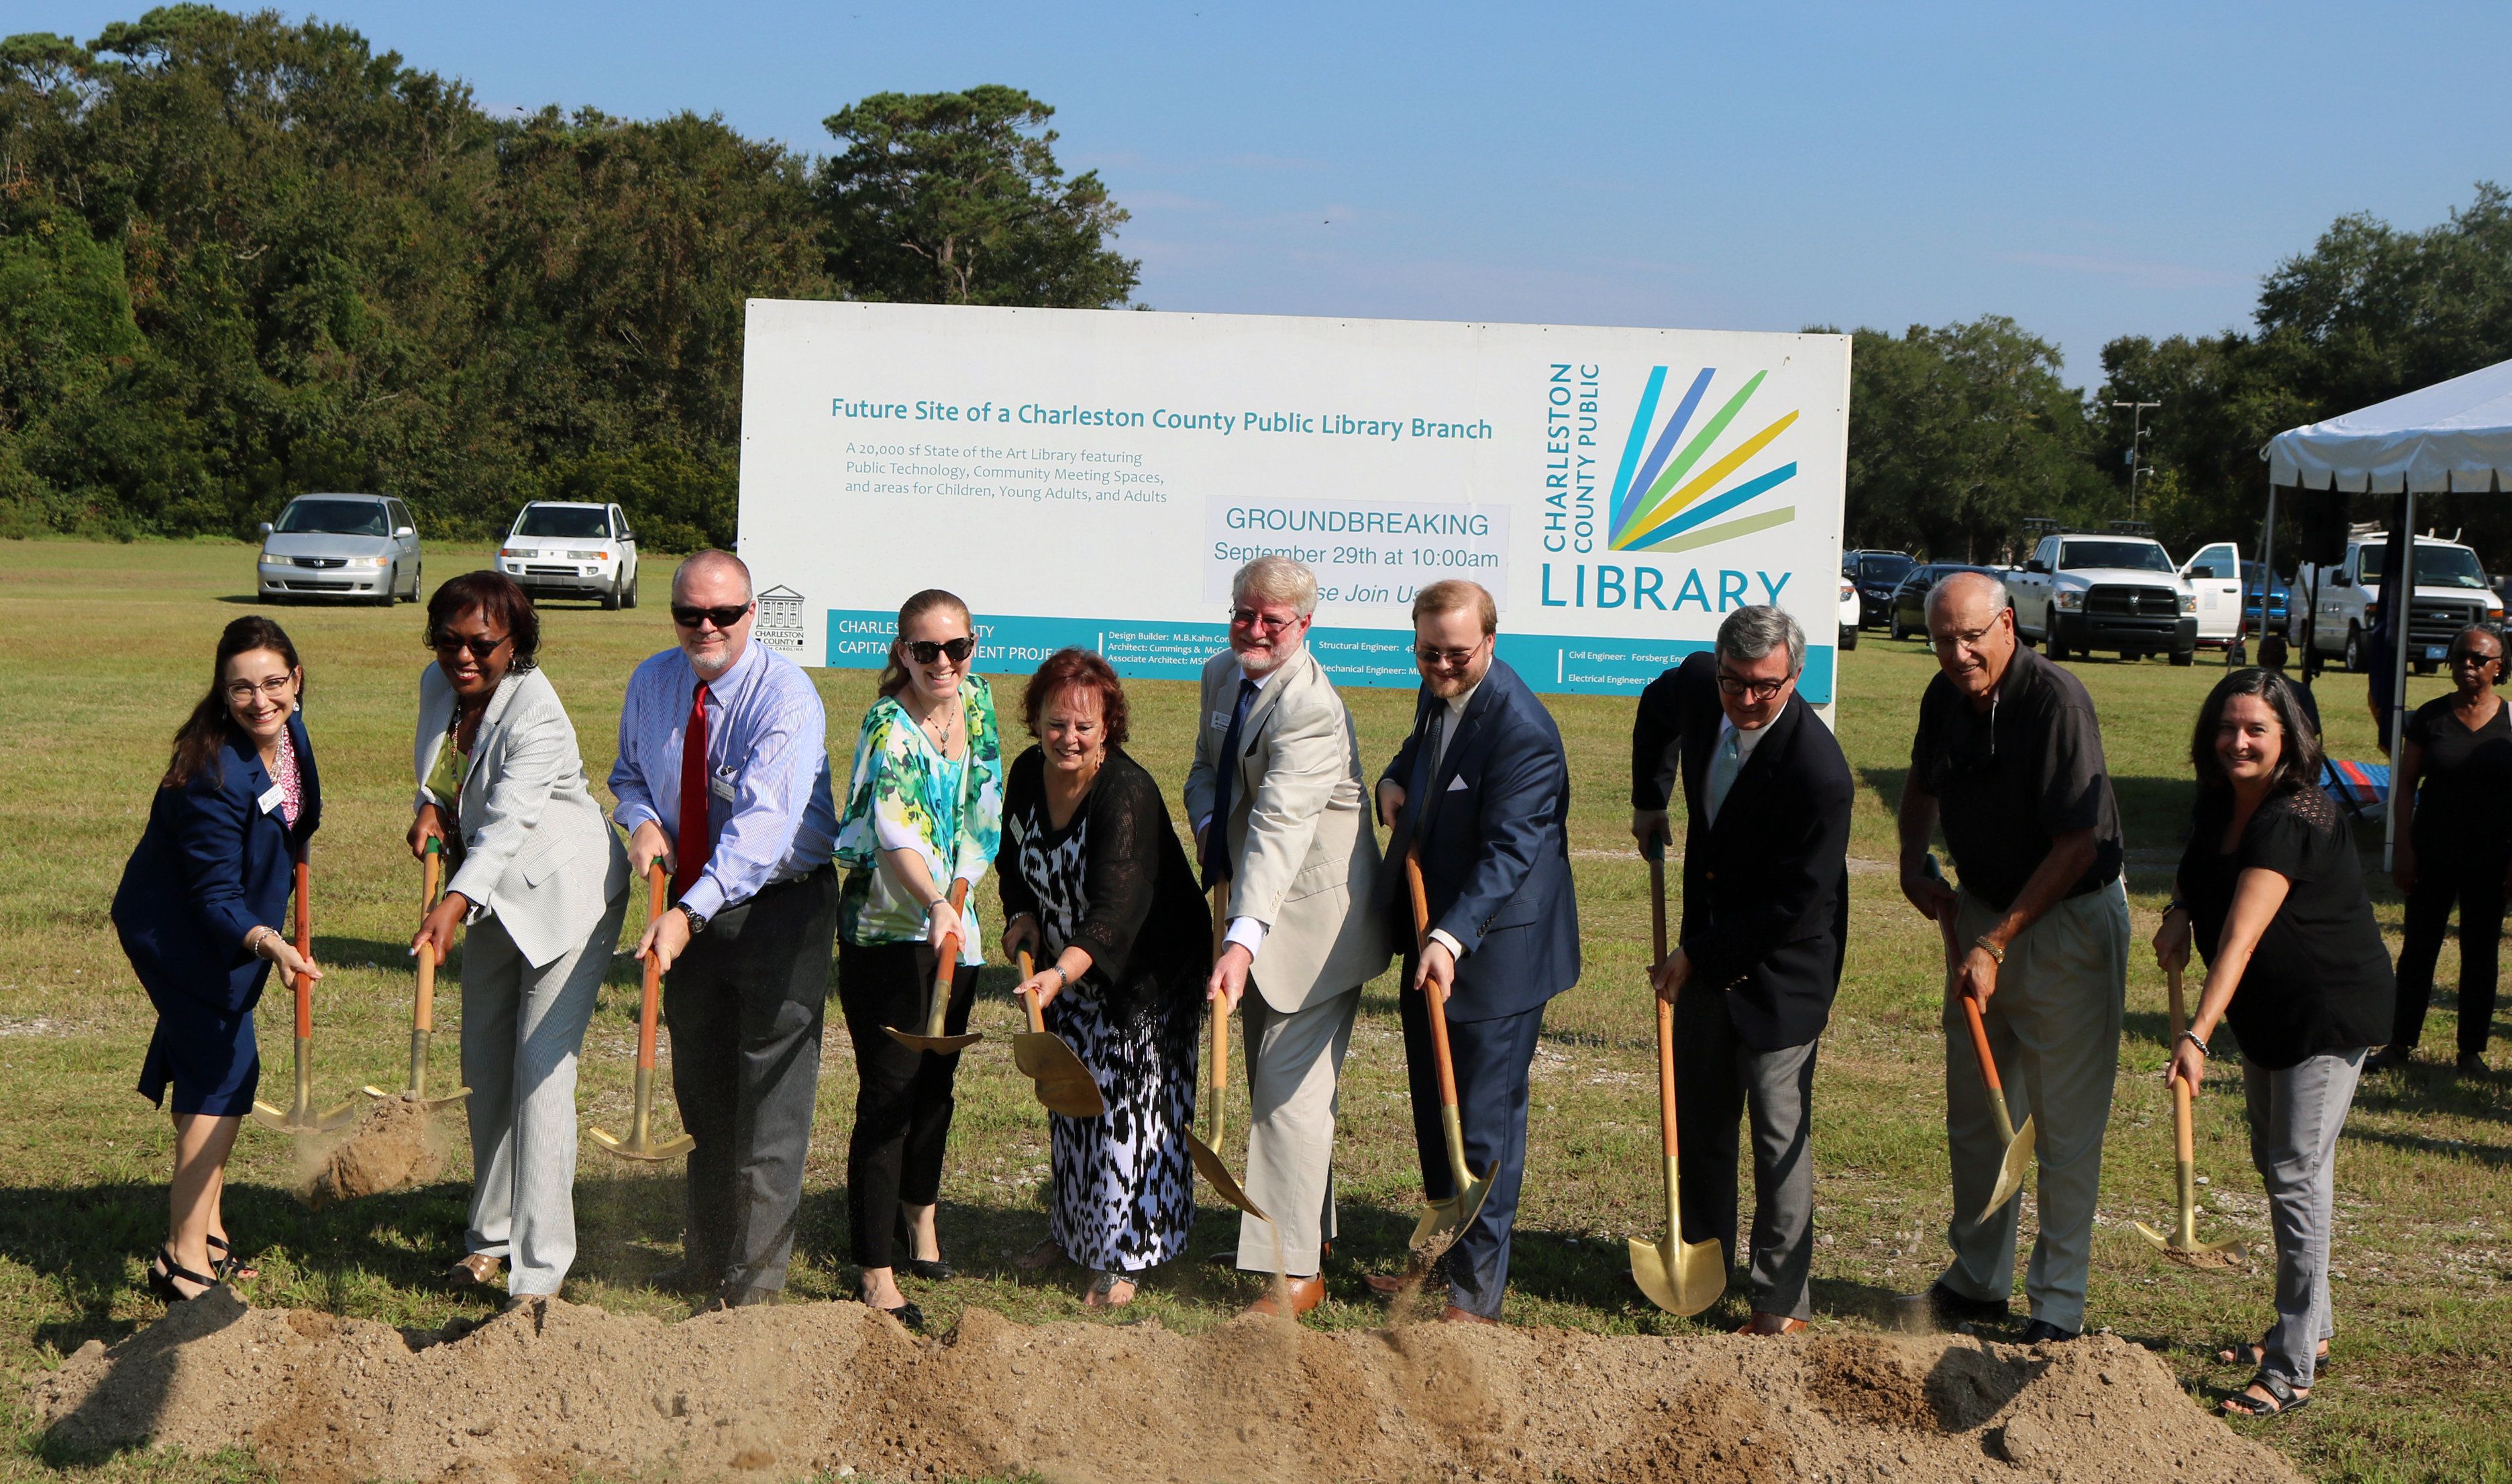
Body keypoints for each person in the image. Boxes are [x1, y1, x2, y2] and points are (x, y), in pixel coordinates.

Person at [1897, 570, 2129, 1344]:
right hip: (1984, 910)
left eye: (1970, 636)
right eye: (1942, 639)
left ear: (2007, 625)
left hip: (2066, 920)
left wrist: (1998, 943)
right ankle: (1979, 1277)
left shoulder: (2055, 701)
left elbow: (2078, 842)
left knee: (2064, 1124)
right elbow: (1923, 785)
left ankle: (2057, 1305)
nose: (1957, 653)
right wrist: (1911, 862)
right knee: (1979, 1111)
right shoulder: (1945, 697)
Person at [2156, 668, 2393, 1418]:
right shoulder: (2220, 798)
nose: (2239, 741)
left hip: (2324, 1012)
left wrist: (2196, 1033)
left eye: (2257, 728)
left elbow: (2241, 937)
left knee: (2295, 1173)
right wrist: (2178, 907)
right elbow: (2204, 872)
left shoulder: (2298, 814)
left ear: (2289, 737)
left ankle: (2291, 1367)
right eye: (2228, 726)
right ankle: (2312, 1328)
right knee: (2279, 1160)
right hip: (2268, 1013)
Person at [611, 550, 839, 1309]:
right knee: (703, 1093)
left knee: (770, 1100)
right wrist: (642, 822)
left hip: (779, 908)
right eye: (689, 614)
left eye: (724, 614)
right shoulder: (652, 681)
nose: (705, 627)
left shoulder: (787, 698)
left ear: (752, 614)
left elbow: (761, 835)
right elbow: (629, 775)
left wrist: (685, 912)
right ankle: (706, 1258)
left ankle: (757, 1284)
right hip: (689, 908)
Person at [1630, 607, 1852, 1336]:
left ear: (1796, 677)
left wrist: (1697, 955)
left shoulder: (1820, 773)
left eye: (1765, 687)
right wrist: (1647, 797)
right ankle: (1704, 1263)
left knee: (1777, 1133)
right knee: (1701, 1116)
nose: (1747, 699)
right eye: (1735, 682)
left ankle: (1779, 1303)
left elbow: (1794, 903)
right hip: (1707, 948)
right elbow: (1655, 709)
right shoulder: (1701, 685)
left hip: (1784, 968)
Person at [408, 572, 631, 1299]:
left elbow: (507, 821)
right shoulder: (437, 687)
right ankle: (489, 1239)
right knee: (486, 1069)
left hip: (569, 896)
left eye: (483, 643)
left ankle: (538, 1274)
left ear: (517, 644)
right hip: (496, 899)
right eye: (449, 640)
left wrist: (453, 900)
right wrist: (429, 806)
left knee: (540, 1076)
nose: (463, 656)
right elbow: (449, 777)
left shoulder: (538, 714)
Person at [1186, 556, 1391, 1318]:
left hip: (1314, 927)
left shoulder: (1310, 707)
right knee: (1283, 1088)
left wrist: (1240, 939)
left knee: (1287, 1099)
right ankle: (1307, 1231)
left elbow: (1278, 826)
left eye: (1275, 620)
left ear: (1305, 625)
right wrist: (1211, 831)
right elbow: (1206, 773)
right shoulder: (1221, 673)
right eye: (1246, 613)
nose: (1257, 630)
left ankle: (1295, 1271)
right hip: (1256, 912)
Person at [1373, 580, 1579, 1324]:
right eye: (1428, 653)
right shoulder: (1440, 689)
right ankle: (1436, 1262)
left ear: (1491, 641)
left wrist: (1450, 937)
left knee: (1483, 1123)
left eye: (1458, 654)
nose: (1442, 667)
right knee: (1436, 1108)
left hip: (1498, 954)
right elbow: (1422, 749)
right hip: (1435, 934)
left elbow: (1510, 852)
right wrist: (1396, 779)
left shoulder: (1523, 729)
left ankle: (1474, 1294)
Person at [113, 615, 321, 1301]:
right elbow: (212, 897)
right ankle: (181, 1262)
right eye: (241, 689)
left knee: (210, 1062)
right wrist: (270, 941)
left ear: (296, 679)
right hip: (179, 932)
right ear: (222, 691)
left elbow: (300, 813)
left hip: (232, 926)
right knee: (228, 1068)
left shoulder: (289, 733)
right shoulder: (215, 775)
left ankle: (210, 1233)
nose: (260, 700)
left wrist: (296, 862)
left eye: (272, 683)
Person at [998, 649, 1207, 1306]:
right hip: (1067, 969)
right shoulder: (1027, 773)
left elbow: (1120, 911)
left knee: (1130, 1113)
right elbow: (1013, 860)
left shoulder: (1127, 791)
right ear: (1036, 720)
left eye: (1085, 727)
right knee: (1072, 1102)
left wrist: (1062, 970)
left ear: (1109, 726)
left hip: (1145, 975)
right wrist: (1021, 914)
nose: (1069, 738)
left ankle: (1125, 1255)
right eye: (1057, 723)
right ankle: (1072, 1233)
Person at [832, 590, 1004, 1330]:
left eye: (956, 648)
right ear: (902, 651)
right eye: (926, 650)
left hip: (953, 932)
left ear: (974, 646)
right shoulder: (887, 724)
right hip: (885, 934)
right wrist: (933, 903)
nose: (943, 663)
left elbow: (983, 810)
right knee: (890, 1096)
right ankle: (874, 1268)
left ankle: (921, 1221)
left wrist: (959, 896)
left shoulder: (979, 702)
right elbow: (896, 833)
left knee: (937, 1087)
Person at [2372, 624, 2511, 1076]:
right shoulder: (2429, 717)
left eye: (2478, 659)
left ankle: (2471, 1051)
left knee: (2481, 952)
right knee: (2419, 949)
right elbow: (2406, 787)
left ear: (2500, 666)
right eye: (2459, 658)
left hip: (2491, 859)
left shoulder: (2511, 722)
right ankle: (2399, 1043)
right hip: (2432, 853)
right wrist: (2404, 850)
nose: (2467, 667)